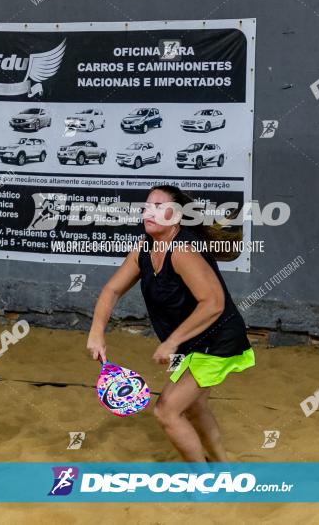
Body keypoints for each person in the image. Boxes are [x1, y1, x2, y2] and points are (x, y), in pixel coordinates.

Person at [86, 185, 254, 462]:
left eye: (158, 206)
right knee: (195, 406)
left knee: (166, 411)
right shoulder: (144, 248)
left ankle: (203, 479)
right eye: (146, 206)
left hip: (217, 340)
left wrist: (172, 341)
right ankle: (224, 468)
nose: (148, 212)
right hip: (192, 344)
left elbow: (214, 303)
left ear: (176, 217)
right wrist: (96, 331)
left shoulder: (182, 251)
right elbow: (111, 291)